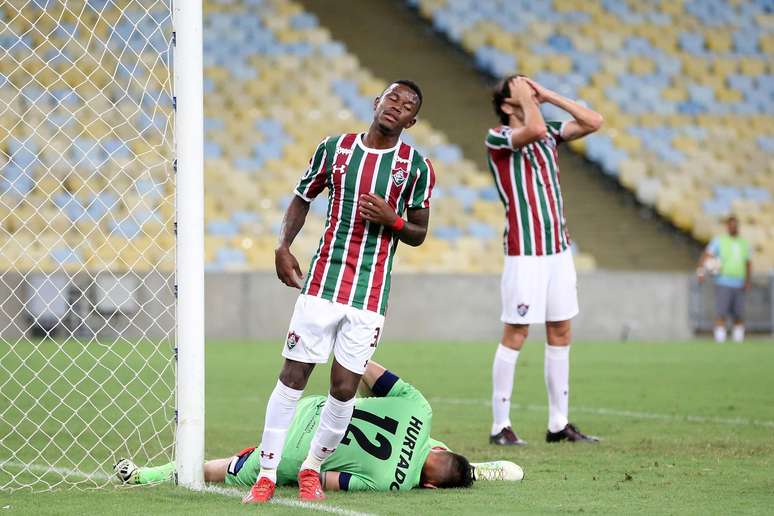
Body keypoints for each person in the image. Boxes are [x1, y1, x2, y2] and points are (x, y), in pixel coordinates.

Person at [245, 80, 435, 503]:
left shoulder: (416, 168)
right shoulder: (335, 149)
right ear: (377, 102)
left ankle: (312, 467)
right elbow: (301, 197)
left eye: (407, 106)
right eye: (392, 98)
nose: (396, 107)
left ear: (412, 120)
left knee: (345, 387)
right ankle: (268, 473)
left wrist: (394, 220)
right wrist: (282, 245)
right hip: (322, 284)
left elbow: (420, 232)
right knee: (293, 376)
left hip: (370, 294)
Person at [115, 361, 523, 490]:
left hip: (313, 406)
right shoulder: (385, 483)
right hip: (296, 453)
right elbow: (327, 480)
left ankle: (464, 465)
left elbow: (366, 368)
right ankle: (143, 476)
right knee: (216, 470)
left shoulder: (421, 409)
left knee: (418, 426)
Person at [485, 75, 603, 446]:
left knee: (561, 329)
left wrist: (549, 94)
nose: (530, 90)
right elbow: (533, 127)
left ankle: (558, 423)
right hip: (526, 252)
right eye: (520, 88)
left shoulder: (548, 129)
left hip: (558, 249)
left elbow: (594, 121)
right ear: (506, 105)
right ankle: (499, 425)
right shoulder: (498, 137)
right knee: (518, 332)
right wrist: (528, 100)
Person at [697, 215, 751, 343]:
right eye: (731, 225)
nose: (734, 227)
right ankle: (720, 341)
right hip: (723, 282)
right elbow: (707, 256)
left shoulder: (744, 243)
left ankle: (738, 341)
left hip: (739, 283)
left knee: (739, 314)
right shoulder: (719, 241)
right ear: (727, 226)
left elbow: (748, 263)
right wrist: (701, 272)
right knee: (721, 313)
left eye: (735, 225)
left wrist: (747, 280)